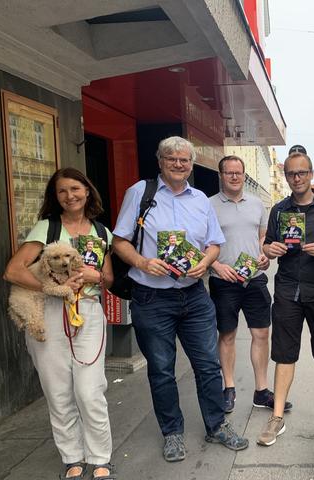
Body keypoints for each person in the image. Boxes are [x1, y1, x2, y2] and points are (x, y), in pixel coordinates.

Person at [112, 137, 248, 462]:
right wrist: (144, 263)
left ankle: (217, 425)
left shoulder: (201, 199)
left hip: (194, 296)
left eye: (184, 160)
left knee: (209, 365)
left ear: (191, 164)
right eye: (171, 158)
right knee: (161, 370)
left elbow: (215, 242)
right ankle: (172, 432)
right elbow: (119, 241)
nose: (178, 164)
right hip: (150, 298)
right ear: (160, 161)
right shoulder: (140, 193)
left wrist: (207, 260)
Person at [4, 168, 115, 480]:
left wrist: (97, 276)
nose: (70, 196)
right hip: (50, 312)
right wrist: (53, 289)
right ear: (55, 197)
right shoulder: (47, 227)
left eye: (76, 188)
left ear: (88, 191)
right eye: (62, 191)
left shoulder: (102, 233)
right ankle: (72, 456)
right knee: (57, 390)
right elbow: (13, 271)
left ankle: (100, 456)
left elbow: (108, 279)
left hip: (89, 312)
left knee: (90, 390)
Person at [257, 150, 314, 447]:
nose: (296, 178)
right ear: (286, 176)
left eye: (302, 173)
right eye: (291, 174)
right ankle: (277, 416)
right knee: (283, 353)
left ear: (311, 174)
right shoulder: (279, 210)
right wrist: (270, 250)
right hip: (287, 291)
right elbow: (266, 246)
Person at [209, 155, 288, 415]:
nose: (234, 176)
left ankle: (261, 391)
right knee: (227, 335)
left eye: (238, 172)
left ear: (244, 175)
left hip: (254, 279)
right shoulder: (208, 206)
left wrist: (265, 255)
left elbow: (263, 237)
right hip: (224, 281)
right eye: (229, 172)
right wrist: (215, 266)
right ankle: (229, 387)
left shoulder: (257, 204)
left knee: (261, 334)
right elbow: (200, 244)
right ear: (221, 175)